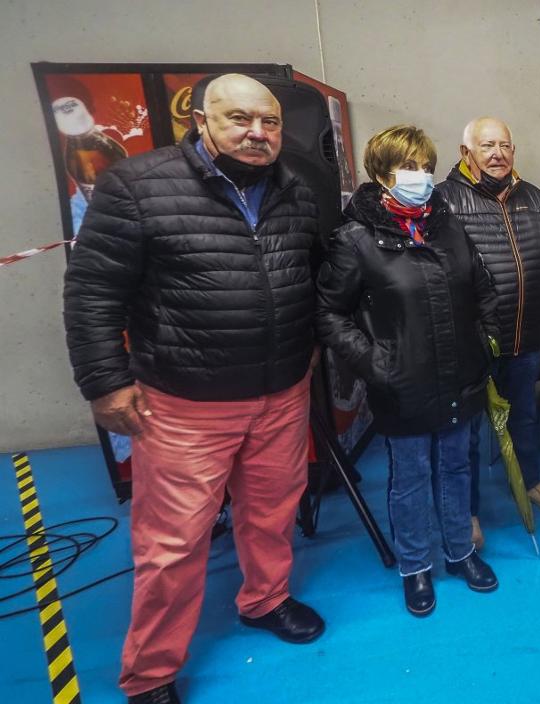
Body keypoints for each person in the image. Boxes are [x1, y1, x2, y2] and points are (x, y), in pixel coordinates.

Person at [63, 74, 324, 704]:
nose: (257, 133)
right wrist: (105, 382)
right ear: (201, 123)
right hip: (185, 402)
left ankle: (264, 599)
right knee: (172, 543)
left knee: (270, 512)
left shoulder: (297, 187)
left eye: (269, 121)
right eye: (239, 119)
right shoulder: (137, 185)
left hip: (281, 390)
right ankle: (151, 672)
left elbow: (308, 273)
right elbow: (93, 291)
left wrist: (309, 349)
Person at [316, 125, 501, 618]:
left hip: (461, 371)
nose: (420, 176)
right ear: (380, 174)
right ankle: (416, 567)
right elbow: (328, 312)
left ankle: (461, 553)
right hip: (403, 382)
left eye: (425, 166)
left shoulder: (447, 224)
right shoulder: (355, 238)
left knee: (458, 466)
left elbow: (480, 286)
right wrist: (376, 362)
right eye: (408, 166)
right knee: (411, 477)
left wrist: (485, 339)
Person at [438, 117, 540, 550]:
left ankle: (528, 482)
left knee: (525, 416)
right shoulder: (445, 199)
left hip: (527, 334)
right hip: (474, 341)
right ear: (466, 153)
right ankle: (469, 510)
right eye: (487, 145)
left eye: (505, 145)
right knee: (470, 430)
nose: (497, 153)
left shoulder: (532, 196)